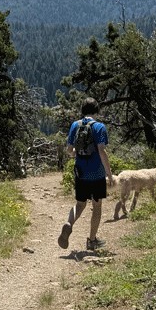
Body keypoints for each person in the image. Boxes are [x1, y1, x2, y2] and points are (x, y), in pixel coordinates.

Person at [58, 97, 113, 251]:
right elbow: (102, 151)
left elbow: (69, 151)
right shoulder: (100, 127)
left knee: (80, 204)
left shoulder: (75, 125)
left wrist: (77, 153)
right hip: (97, 174)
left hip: (80, 173)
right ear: (96, 110)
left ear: (82, 110)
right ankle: (92, 240)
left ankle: (69, 223)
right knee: (97, 206)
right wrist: (109, 174)